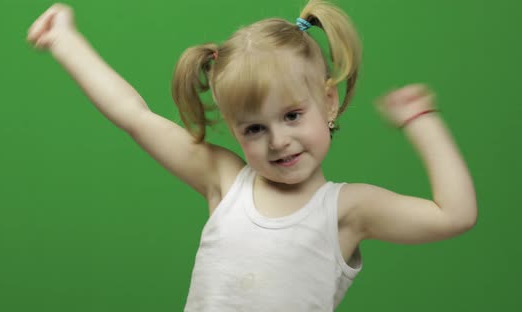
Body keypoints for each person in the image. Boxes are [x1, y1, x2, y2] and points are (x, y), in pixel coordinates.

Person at [27, 0, 478, 310]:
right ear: (236, 129)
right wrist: (65, 41)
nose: (278, 141)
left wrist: (422, 121)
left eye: (293, 116)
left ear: (329, 101)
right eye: (255, 128)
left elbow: (453, 214)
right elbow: (134, 115)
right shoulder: (226, 180)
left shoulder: (346, 210)